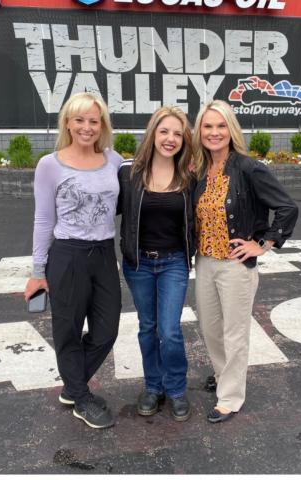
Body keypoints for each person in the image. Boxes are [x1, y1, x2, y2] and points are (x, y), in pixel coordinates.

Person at [192, 100, 298, 423]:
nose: (214, 132)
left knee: (234, 333)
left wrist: (262, 244)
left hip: (235, 265)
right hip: (205, 261)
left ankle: (231, 397)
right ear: (200, 131)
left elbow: (287, 207)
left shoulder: (248, 168)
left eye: (221, 126)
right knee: (210, 329)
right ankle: (225, 375)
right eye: (208, 126)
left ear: (231, 129)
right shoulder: (199, 170)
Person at [24, 92, 122, 429]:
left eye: (94, 121)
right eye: (79, 119)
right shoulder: (50, 165)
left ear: (102, 126)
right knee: (67, 330)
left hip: (105, 254)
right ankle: (81, 398)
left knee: (107, 330)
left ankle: (72, 383)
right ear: (68, 122)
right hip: (67, 255)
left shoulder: (114, 160)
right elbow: (43, 220)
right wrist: (38, 272)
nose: (87, 127)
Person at [118, 106, 195, 422]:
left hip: (174, 262)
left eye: (177, 133)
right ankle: (153, 387)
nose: (170, 138)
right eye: (164, 131)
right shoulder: (128, 172)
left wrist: (258, 237)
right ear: (153, 133)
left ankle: (176, 388)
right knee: (147, 328)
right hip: (139, 264)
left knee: (170, 330)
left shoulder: (190, 175)